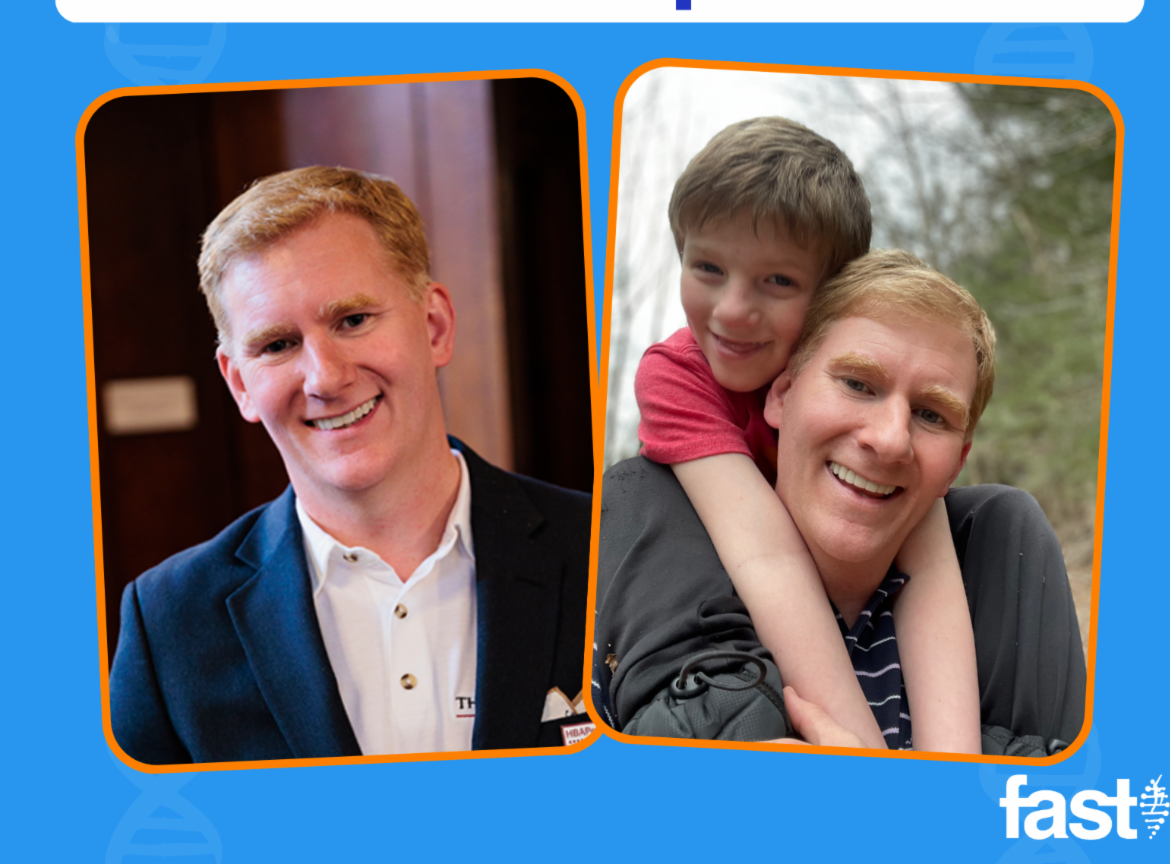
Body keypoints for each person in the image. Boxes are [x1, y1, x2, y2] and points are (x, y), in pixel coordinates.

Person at [109, 166, 592, 765]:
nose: (325, 378)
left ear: (434, 326)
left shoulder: (614, 555)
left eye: (353, 320)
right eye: (278, 345)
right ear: (238, 384)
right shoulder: (169, 625)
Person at [597, 250, 1086, 755]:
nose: (892, 440)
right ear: (781, 395)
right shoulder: (648, 554)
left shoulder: (993, 581)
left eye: (932, 415)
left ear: (957, 464)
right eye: (856, 384)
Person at [634, 119, 979, 751]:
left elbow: (929, 571)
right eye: (707, 266)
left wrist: (950, 771)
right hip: (729, 627)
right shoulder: (677, 376)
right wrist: (864, 759)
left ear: (833, 297)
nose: (733, 310)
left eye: (778, 281)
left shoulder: (870, 398)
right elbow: (766, 558)